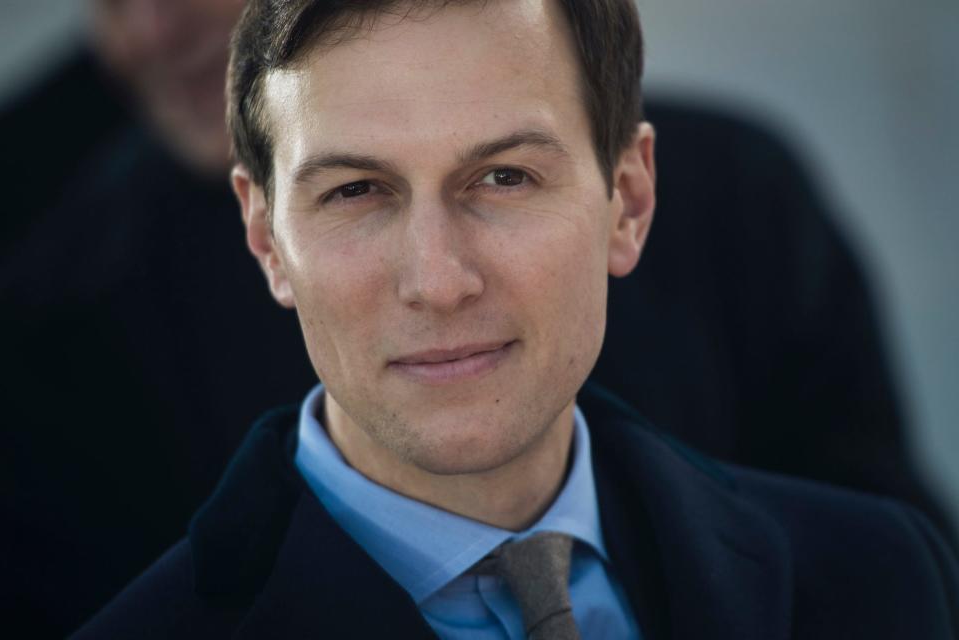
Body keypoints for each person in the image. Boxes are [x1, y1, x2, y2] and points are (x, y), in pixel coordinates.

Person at [73, 0, 958, 638]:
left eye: (504, 177)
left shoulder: (885, 580)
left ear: (629, 200)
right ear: (266, 239)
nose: (439, 281)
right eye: (355, 191)